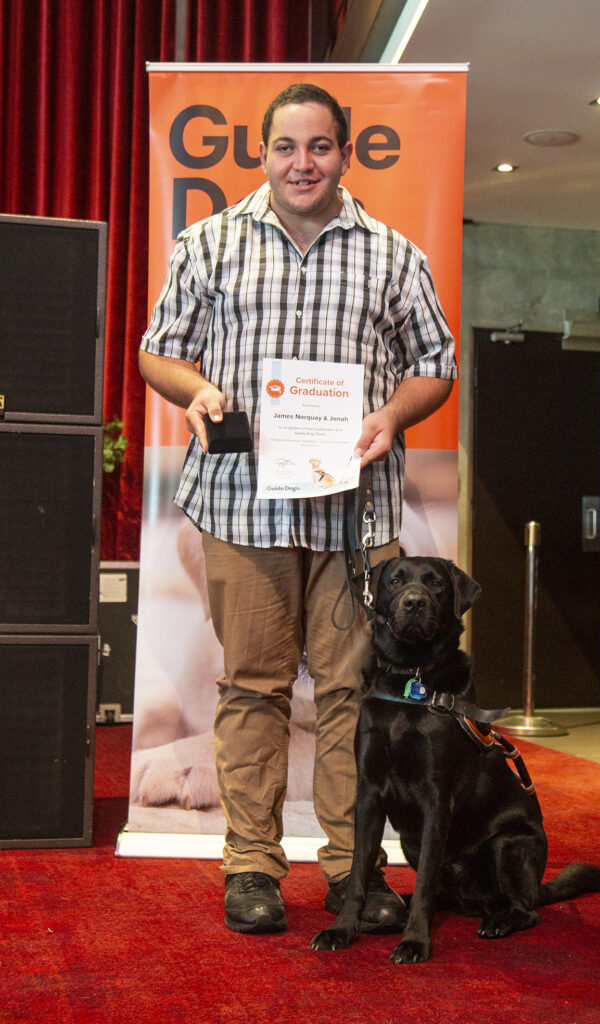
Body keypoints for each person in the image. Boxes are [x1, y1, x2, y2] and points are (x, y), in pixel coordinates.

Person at [139, 83, 457, 935]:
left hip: (355, 516)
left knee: (355, 695)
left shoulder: (393, 254)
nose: (301, 163)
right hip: (243, 511)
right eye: (286, 147)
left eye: (318, 147)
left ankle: (355, 875)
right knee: (251, 689)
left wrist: (393, 415)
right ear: (264, 154)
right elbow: (157, 352)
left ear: (344, 154)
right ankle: (250, 868)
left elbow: (435, 361)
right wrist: (199, 389)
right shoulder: (208, 242)